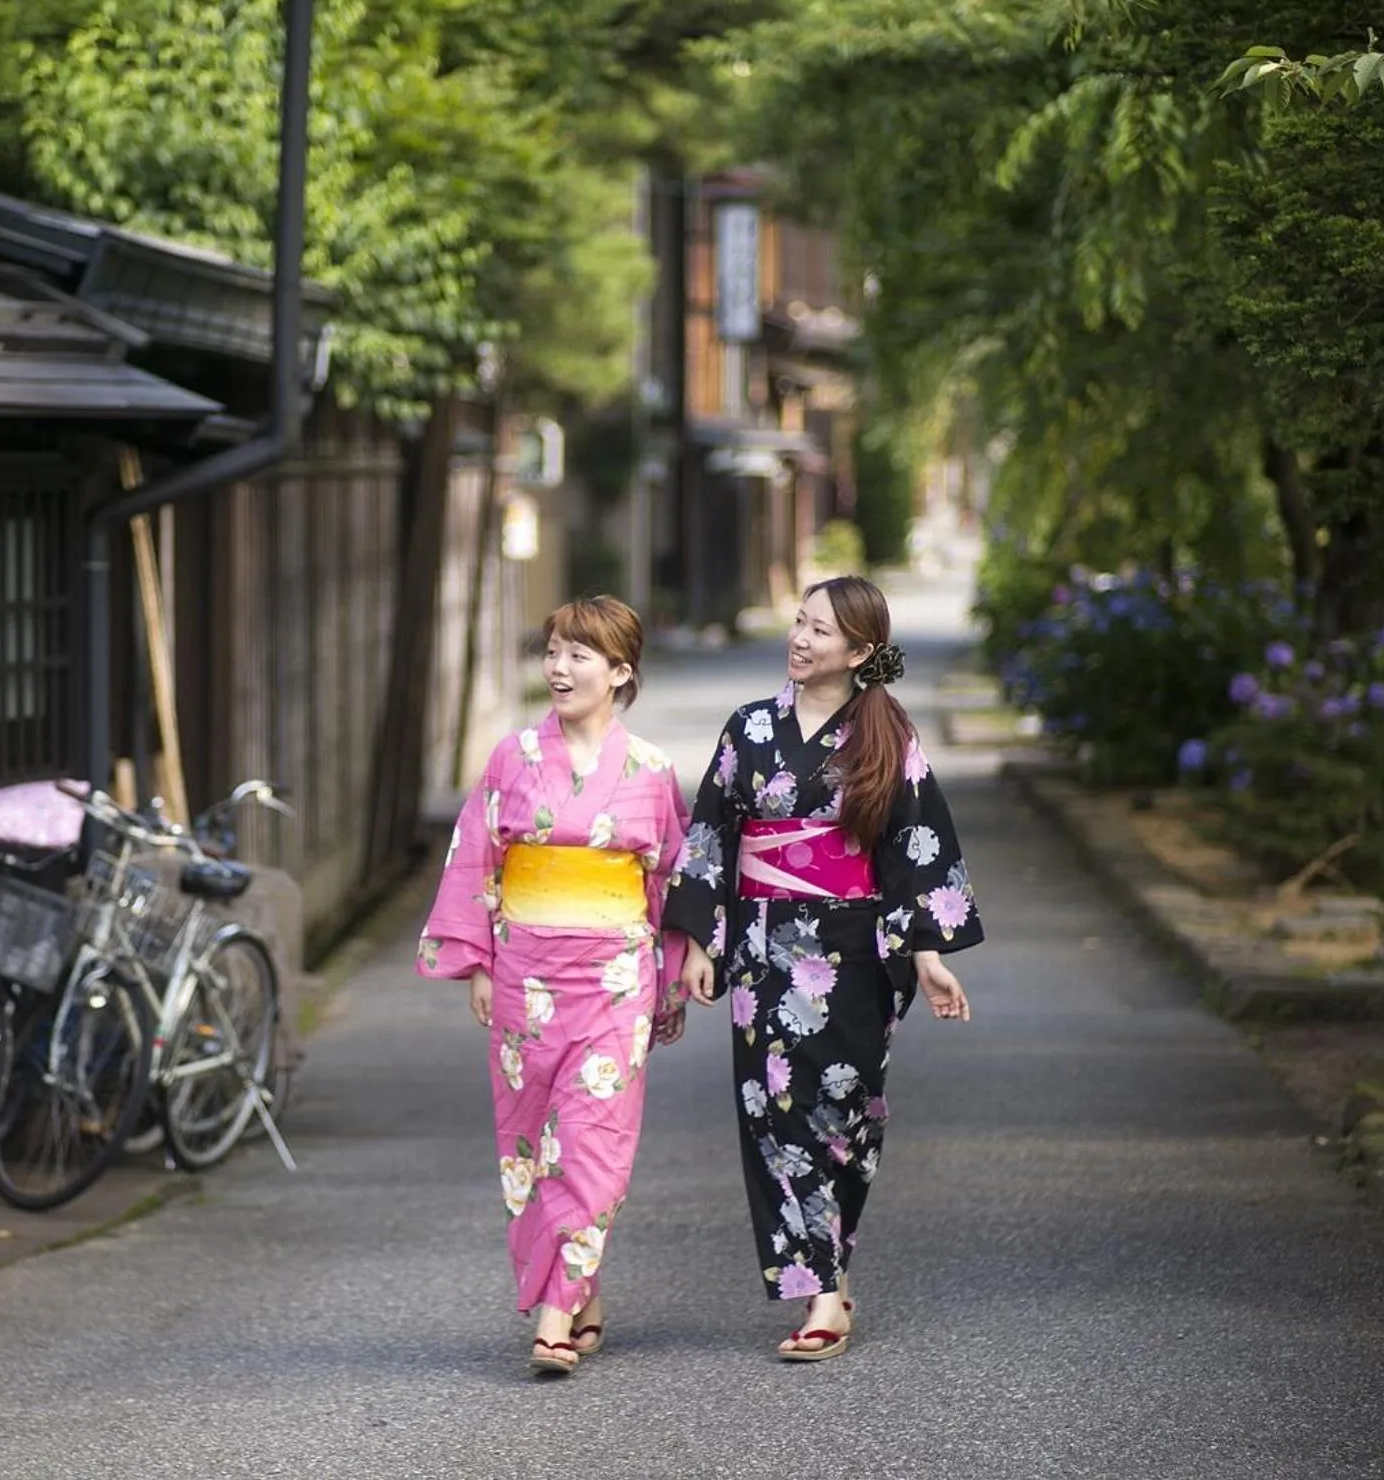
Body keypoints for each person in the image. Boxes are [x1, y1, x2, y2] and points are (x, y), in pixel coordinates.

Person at [665, 575, 982, 1362]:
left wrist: (930, 959)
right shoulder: (749, 729)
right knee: (774, 1112)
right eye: (799, 623)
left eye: (820, 631)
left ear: (861, 651)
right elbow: (709, 833)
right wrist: (701, 942)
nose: (800, 640)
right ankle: (822, 1291)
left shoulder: (887, 736)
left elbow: (917, 850)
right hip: (765, 944)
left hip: (857, 950)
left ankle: (831, 1256)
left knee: (848, 1117)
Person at [418, 596, 690, 1376]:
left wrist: (671, 978)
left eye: (580, 654)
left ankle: (554, 1312)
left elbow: (670, 881)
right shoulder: (511, 759)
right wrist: (475, 961)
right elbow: (477, 856)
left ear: (620, 672)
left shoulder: (651, 772)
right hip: (526, 983)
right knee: (533, 1147)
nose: (560, 667)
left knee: (593, 1141)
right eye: (554, 651)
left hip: (614, 983)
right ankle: (581, 1287)